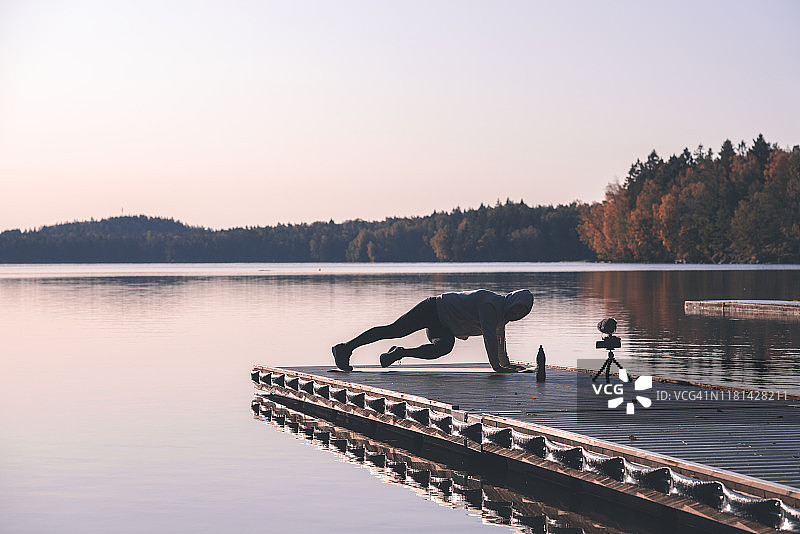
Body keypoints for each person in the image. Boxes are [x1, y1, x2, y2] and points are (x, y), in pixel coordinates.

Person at [331, 289, 533, 372]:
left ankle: (399, 353)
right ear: (512, 301)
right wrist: (497, 367)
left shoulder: (502, 316)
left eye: (522, 313)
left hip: (444, 325)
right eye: (518, 308)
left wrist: (508, 365)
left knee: (443, 347)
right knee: (394, 330)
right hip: (433, 309)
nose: (518, 314)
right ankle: (345, 348)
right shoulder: (491, 305)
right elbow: (489, 338)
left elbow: (499, 341)